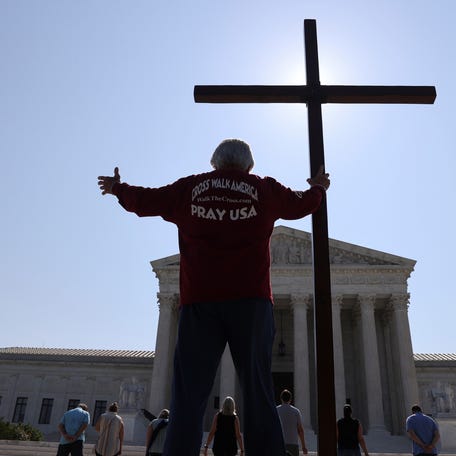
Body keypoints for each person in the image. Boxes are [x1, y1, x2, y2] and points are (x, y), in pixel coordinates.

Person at [98, 138, 330, 456]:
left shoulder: (191, 189)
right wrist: (318, 187)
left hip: (200, 303)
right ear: (249, 165)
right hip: (251, 302)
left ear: (214, 163)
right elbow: (302, 204)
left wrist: (118, 188)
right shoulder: (263, 188)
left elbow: (146, 201)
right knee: (259, 391)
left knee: (189, 395)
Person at [276, 389, 307, 456]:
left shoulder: (276, 410)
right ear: (290, 399)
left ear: (281, 399)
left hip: (279, 444)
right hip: (293, 444)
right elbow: (300, 430)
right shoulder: (296, 411)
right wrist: (303, 446)